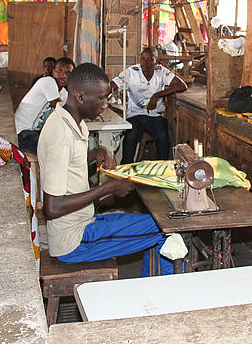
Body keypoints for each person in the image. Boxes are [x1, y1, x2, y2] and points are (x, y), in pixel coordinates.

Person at [38, 62, 180, 275]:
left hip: (83, 222)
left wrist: (97, 153)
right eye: (102, 98)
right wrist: (108, 188)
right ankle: (160, 301)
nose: (106, 104)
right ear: (80, 97)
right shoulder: (60, 133)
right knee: (168, 231)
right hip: (75, 240)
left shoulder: (72, 121)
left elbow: (66, 164)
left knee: (158, 222)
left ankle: (154, 290)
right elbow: (53, 208)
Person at [110, 47, 187, 164]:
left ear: (157, 62)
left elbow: (182, 86)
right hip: (135, 115)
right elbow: (112, 85)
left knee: (163, 138)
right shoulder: (131, 72)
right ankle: (125, 172)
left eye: (150, 59)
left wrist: (157, 95)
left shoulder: (161, 71)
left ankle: (162, 169)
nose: (145, 63)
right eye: (143, 59)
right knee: (129, 139)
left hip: (156, 116)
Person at [14, 57, 75, 154]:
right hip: (22, 133)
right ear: (54, 72)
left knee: (62, 145)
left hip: (35, 133)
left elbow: (71, 110)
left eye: (68, 73)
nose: (63, 76)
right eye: (60, 71)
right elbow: (59, 109)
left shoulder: (64, 93)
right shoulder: (47, 81)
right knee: (54, 150)